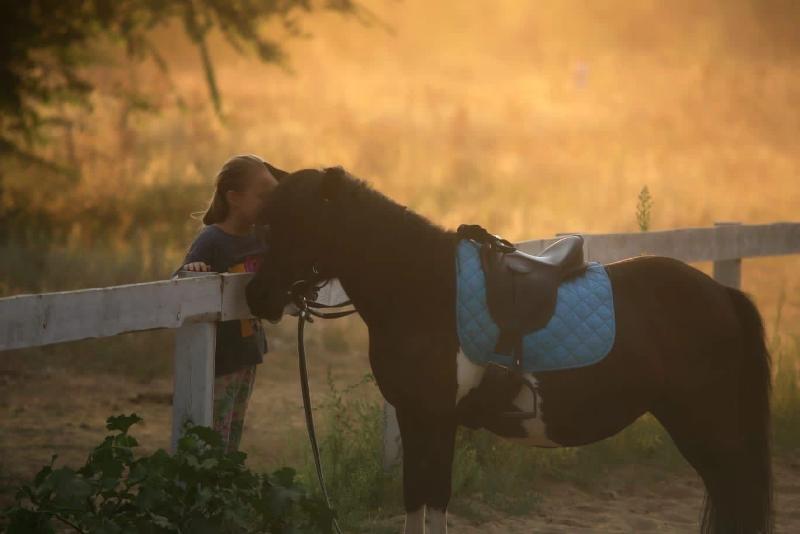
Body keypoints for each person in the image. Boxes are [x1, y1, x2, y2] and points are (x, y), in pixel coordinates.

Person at [173, 154, 286, 452]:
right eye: (263, 197)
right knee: (212, 435)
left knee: (233, 432)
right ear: (234, 198)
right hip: (219, 357)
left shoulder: (263, 238)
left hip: (248, 353)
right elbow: (176, 287)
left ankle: (225, 487)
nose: (269, 204)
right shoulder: (212, 240)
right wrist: (193, 272)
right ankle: (208, 486)